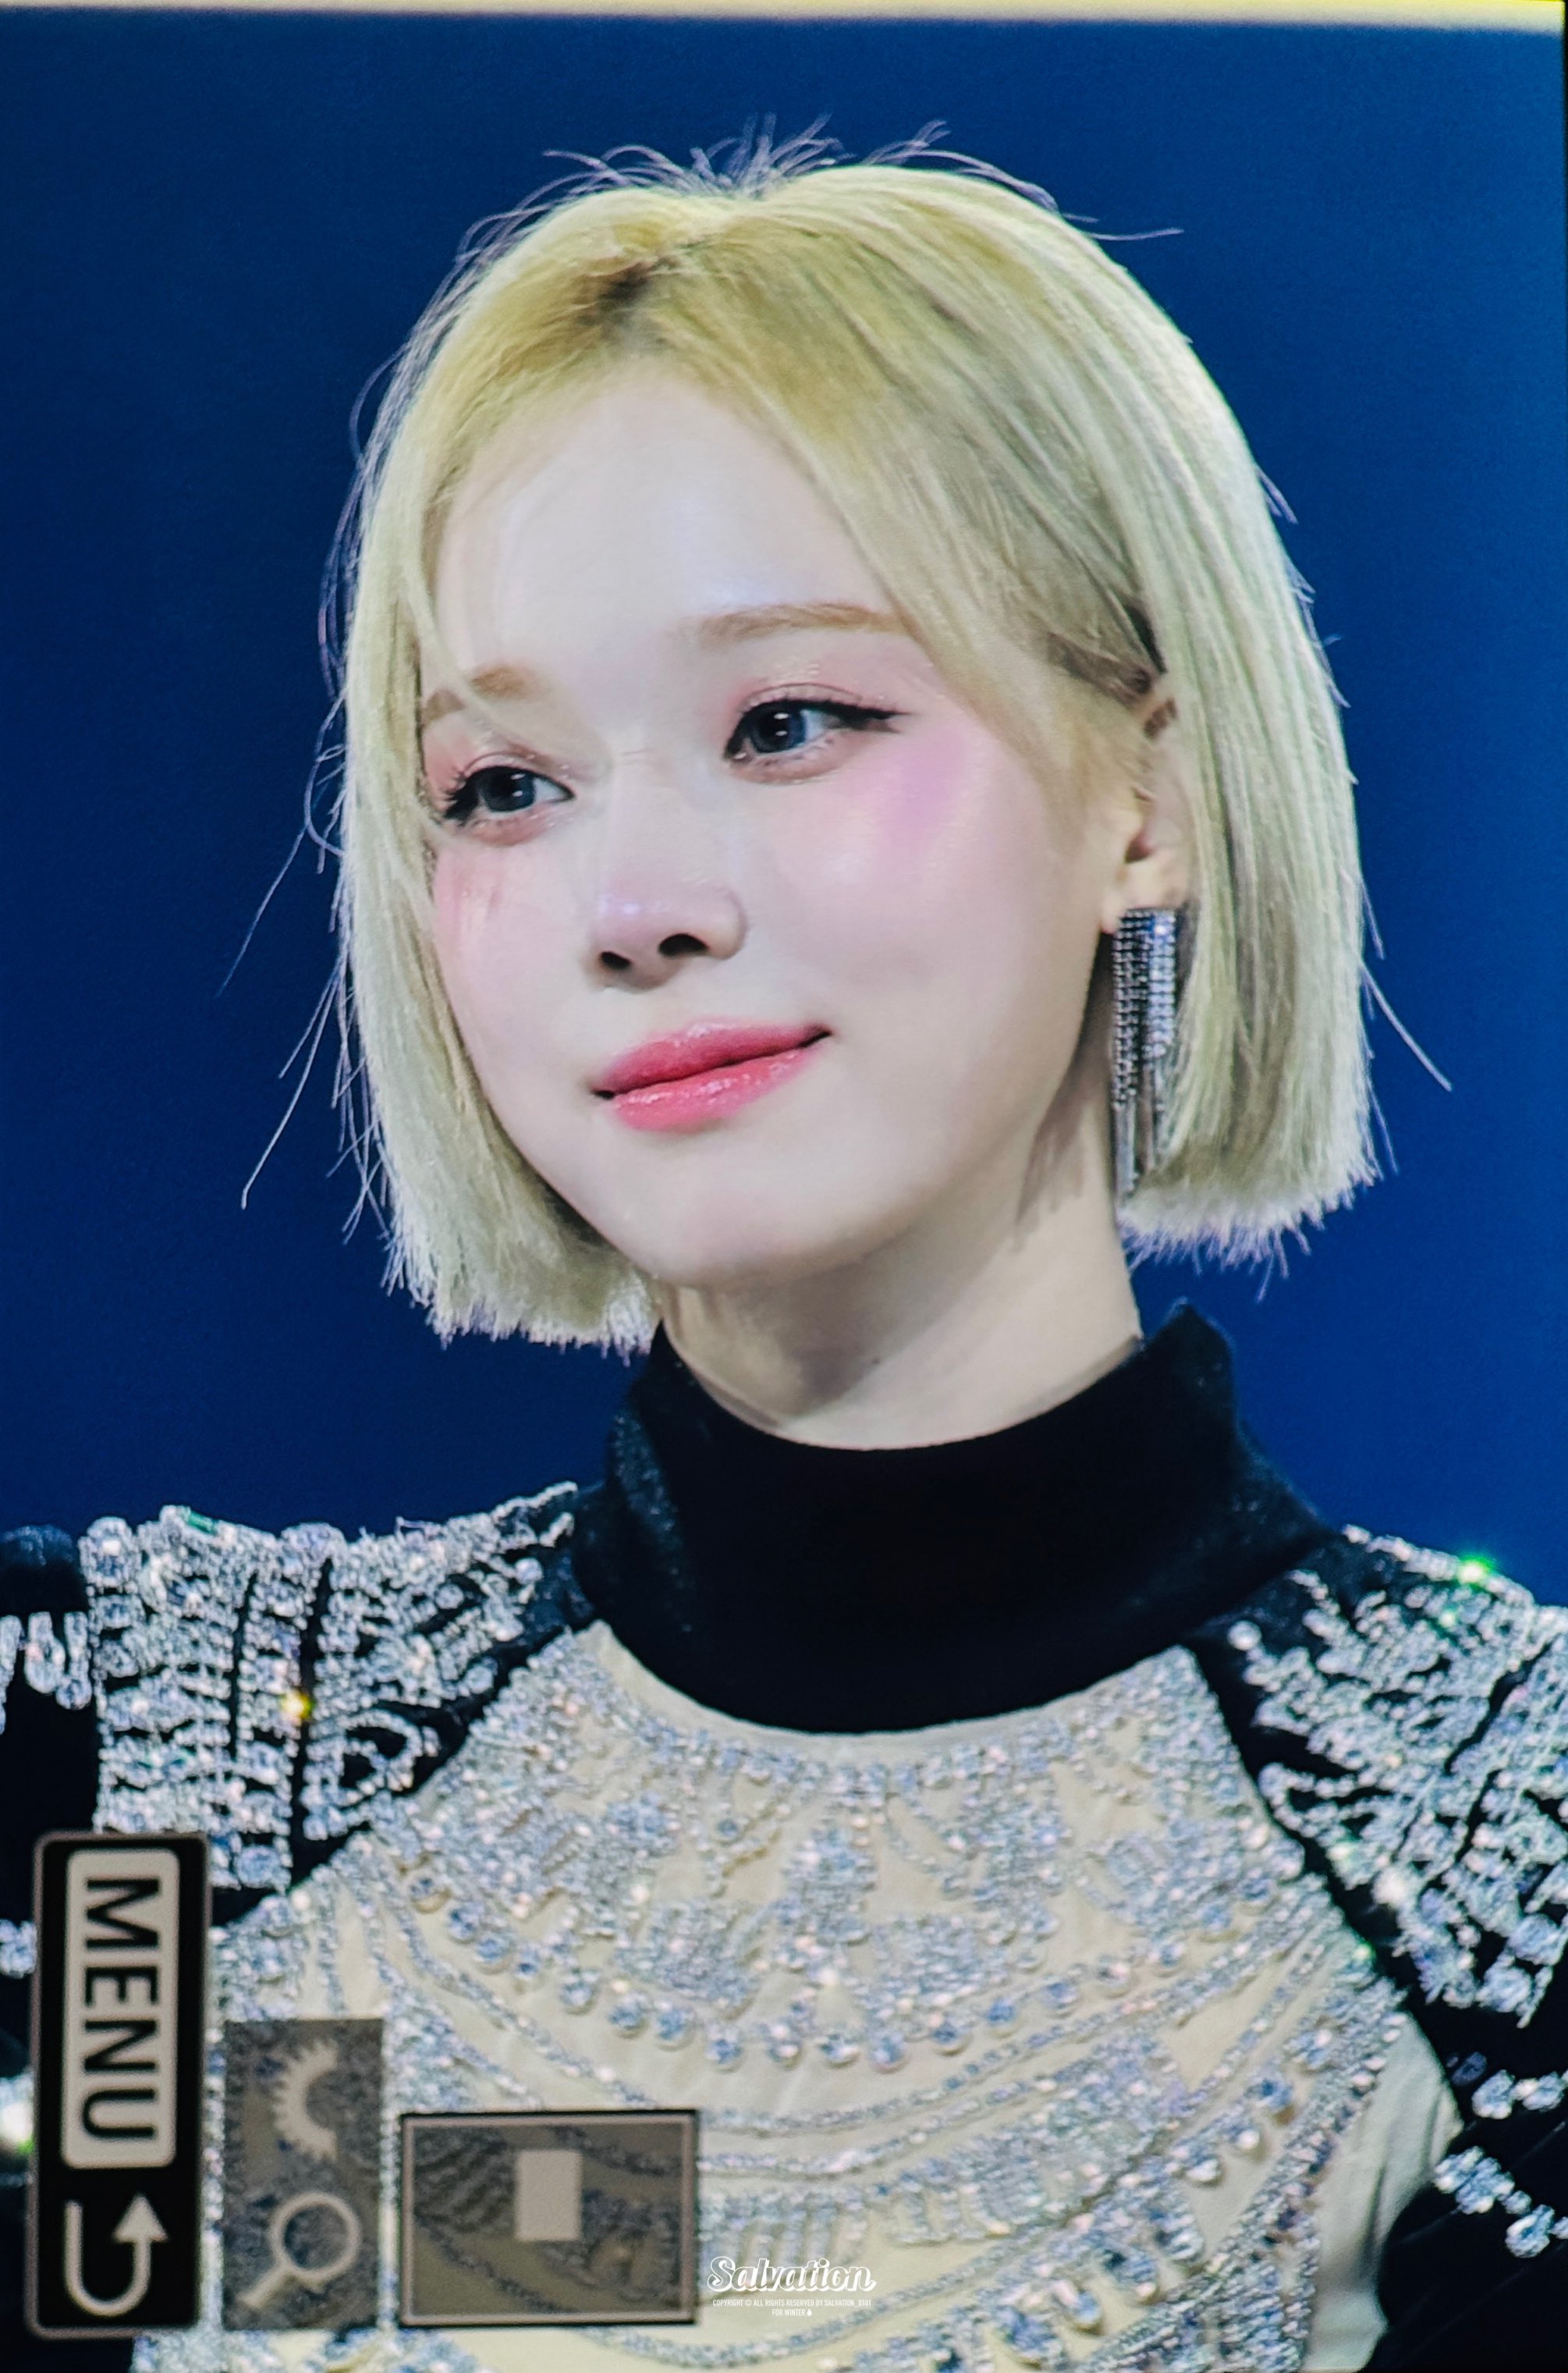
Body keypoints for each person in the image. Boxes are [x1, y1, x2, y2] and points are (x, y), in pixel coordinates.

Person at [3, 144, 1566, 2373]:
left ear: (1147, 796)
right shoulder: (144, 1770)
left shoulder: (1499, 1852)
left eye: (787, 725)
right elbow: (652, 2247)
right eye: (503, 784)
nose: (637, 903)